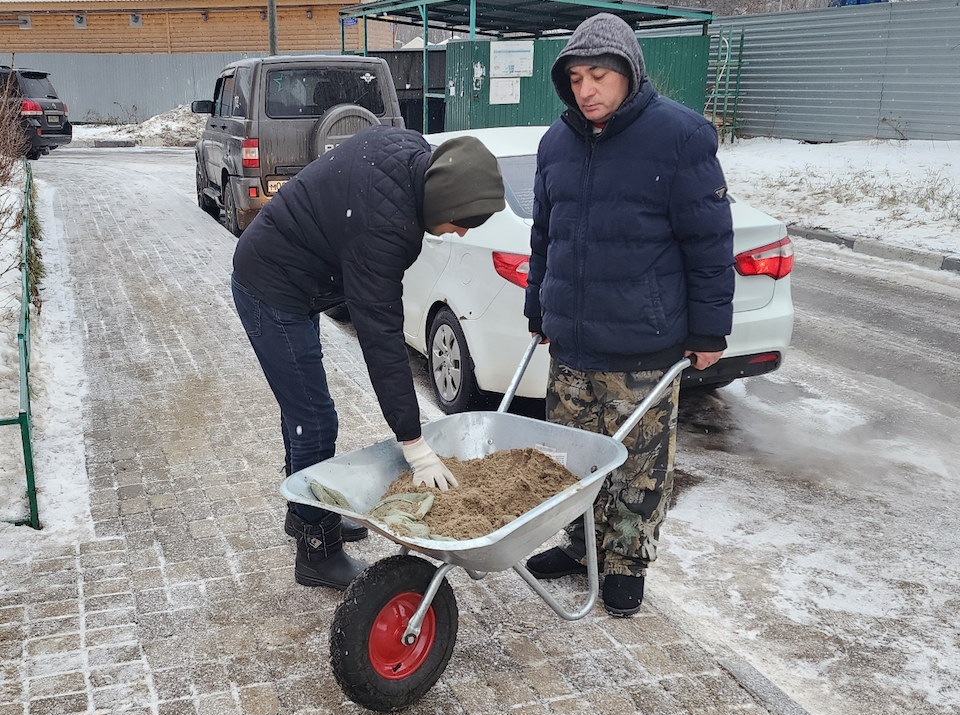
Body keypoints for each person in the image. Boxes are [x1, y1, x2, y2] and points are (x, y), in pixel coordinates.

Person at [523, 13, 735, 617]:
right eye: (576, 78)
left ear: (628, 74)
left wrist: (708, 330)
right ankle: (580, 545)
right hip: (571, 342)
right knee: (574, 459)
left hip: (643, 343)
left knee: (639, 465)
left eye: (598, 76)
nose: (586, 89)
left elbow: (709, 242)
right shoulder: (555, 143)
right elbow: (546, 236)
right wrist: (538, 303)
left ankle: (625, 561)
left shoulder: (679, 137)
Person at [232, 125, 505, 590]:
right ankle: (317, 551)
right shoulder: (384, 226)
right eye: (461, 221)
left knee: (303, 409)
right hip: (270, 287)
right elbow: (380, 337)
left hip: (292, 272)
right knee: (314, 419)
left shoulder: (413, 158)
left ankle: (305, 511)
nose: (459, 233)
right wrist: (414, 444)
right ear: (442, 200)